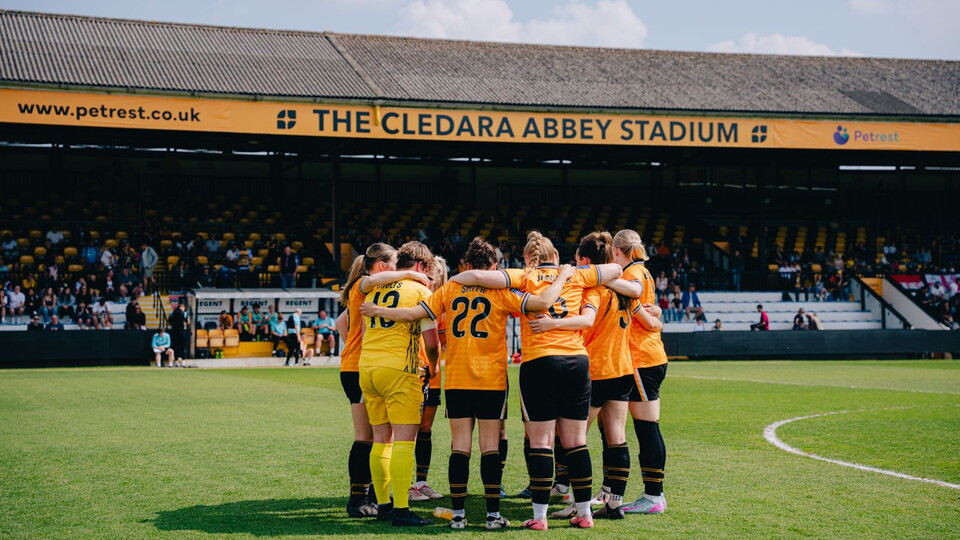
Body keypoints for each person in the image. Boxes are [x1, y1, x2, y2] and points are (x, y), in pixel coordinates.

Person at [362, 236, 569, 530]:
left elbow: (415, 314)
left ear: (467, 265)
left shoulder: (450, 288)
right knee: (489, 447)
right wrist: (562, 275)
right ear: (494, 266)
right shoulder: (502, 293)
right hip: (490, 378)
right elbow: (542, 303)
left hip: (456, 378)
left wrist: (380, 311)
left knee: (459, 446)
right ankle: (492, 516)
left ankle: (458, 516)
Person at [451, 231, 623, 529]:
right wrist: (573, 272)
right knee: (576, 441)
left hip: (540, 361)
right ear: (555, 256)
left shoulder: (522, 276)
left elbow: (472, 276)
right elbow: (616, 269)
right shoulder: (578, 277)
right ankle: (584, 514)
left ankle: (540, 517)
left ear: (528, 258)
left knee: (541, 442)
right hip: (576, 360)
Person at [525, 232, 660, 520]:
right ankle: (614, 503)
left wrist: (552, 324)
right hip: (623, 368)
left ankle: (578, 501)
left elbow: (586, 320)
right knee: (617, 437)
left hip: (597, 369)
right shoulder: (624, 289)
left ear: (586, 262)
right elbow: (650, 320)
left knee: (573, 440)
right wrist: (657, 311)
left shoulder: (592, 291)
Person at [335, 242, 433, 519]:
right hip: (365, 366)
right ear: (380, 266)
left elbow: (341, 322)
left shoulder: (371, 290)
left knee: (377, 437)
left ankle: (373, 497)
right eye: (394, 264)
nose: (398, 268)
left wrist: (350, 344)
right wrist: (411, 275)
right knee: (369, 438)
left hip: (360, 364)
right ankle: (360, 498)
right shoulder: (367, 285)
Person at [358, 241, 441, 527]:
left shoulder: (375, 288)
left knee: (381, 440)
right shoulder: (420, 290)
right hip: (400, 370)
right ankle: (402, 511)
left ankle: (383, 506)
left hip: (368, 368)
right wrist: (434, 365)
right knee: (405, 442)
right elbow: (431, 342)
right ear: (421, 267)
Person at [608, 229, 669, 516]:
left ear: (618, 252)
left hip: (641, 358)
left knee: (646, 428)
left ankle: (653, 495)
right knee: (645, 427)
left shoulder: (632, 275)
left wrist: (653, 319)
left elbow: (644, 316)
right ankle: (647, 493)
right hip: (649, 356)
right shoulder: (643, 271)